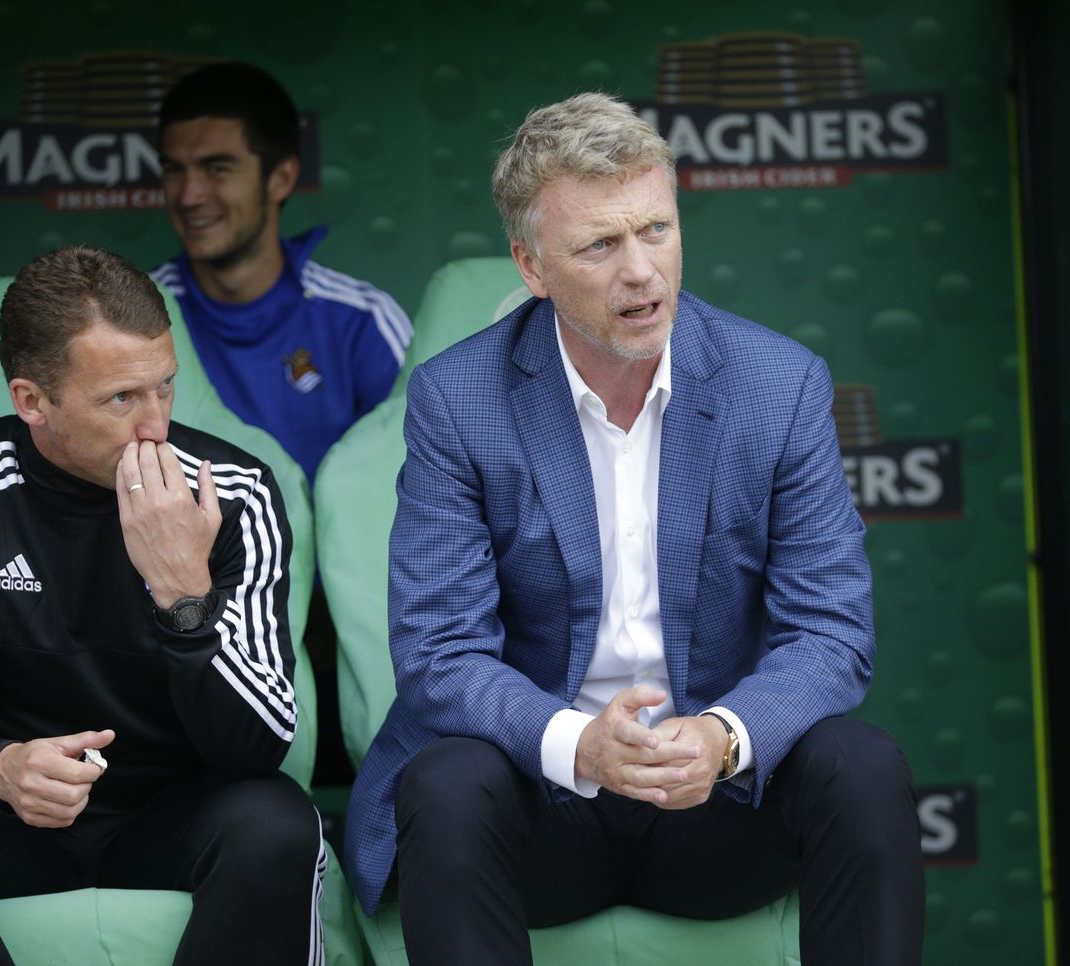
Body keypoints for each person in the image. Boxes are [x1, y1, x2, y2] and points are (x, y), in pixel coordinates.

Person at [344, 93, 924, 965]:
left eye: (656, 230)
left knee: (862, 766)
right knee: (448, 782)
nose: (642, 272)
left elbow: (831, 631)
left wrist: (725, 736)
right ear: (532, 267)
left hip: (717, 806)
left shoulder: (779, 386)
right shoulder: (458, 400)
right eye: (600, 245)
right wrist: (580, 746)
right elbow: (439, 651)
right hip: (543, 803)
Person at [0, 246, 325, 965]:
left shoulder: (233, 493)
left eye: (165, 387)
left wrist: (183, 594)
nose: (156, 426)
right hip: (9, 812)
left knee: (278, 823)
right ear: (32, 401)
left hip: (174, 808)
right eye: (121, 399)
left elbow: (261, 744)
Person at [150, 61, 412, 484]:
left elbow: (427, 472)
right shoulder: (137, 316)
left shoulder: (361, 319)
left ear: (281, 178)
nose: (189, 195)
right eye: (173, 170)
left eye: (217, 168)